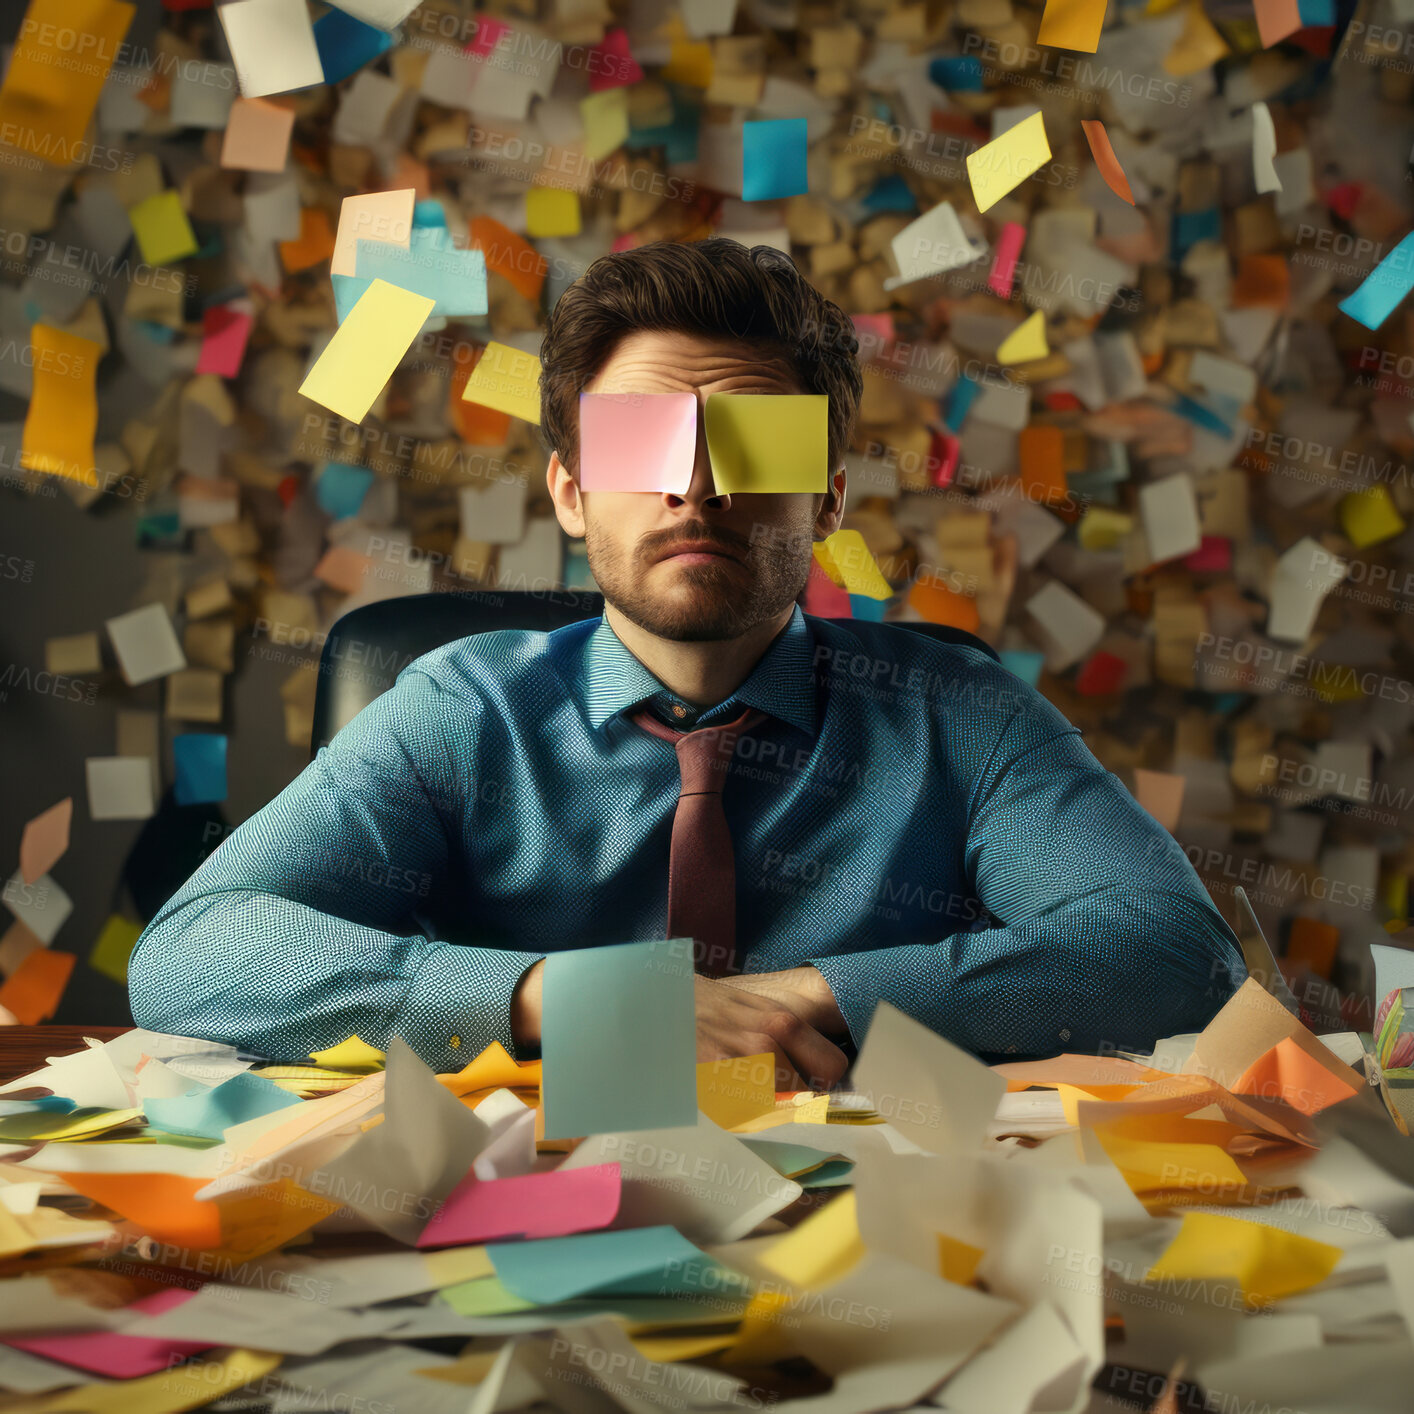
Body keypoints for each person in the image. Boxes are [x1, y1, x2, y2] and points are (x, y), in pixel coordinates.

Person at [128, 239, 1245, 1087]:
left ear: (828, 497)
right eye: (641, 442)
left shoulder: (964, 714)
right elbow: (189, 955)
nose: (698, 486)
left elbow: (1174, 954)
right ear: (570, 491)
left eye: (755, 443)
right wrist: (567, 999)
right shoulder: (460, 711)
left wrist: (798, 1001)